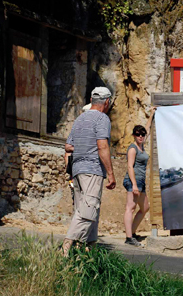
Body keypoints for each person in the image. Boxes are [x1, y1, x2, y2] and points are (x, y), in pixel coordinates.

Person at [62, 87, 116, 257]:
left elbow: (68, 146)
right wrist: (111, 173)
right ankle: (66, 248)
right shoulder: (102, 118)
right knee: (88, 210)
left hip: (77, 170)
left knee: (86, 209)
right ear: (106, 102)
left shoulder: (79, 119)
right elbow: (102, 145)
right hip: (92, 170)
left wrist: (83, 146)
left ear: (92, 100)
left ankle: (88, 250)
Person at [123, 107, 156, 246]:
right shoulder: (133, 148)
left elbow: (147, 129)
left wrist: (152, 114)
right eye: (138, 134)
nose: (141, 136)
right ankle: (129, 238)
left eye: (142, 134)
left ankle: (132, 232)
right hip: (133, 181)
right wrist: (134, 185)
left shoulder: (142, 145)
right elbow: (130, 167)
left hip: (141, 181)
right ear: (134, 135)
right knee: (130, 207)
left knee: (145, 208)